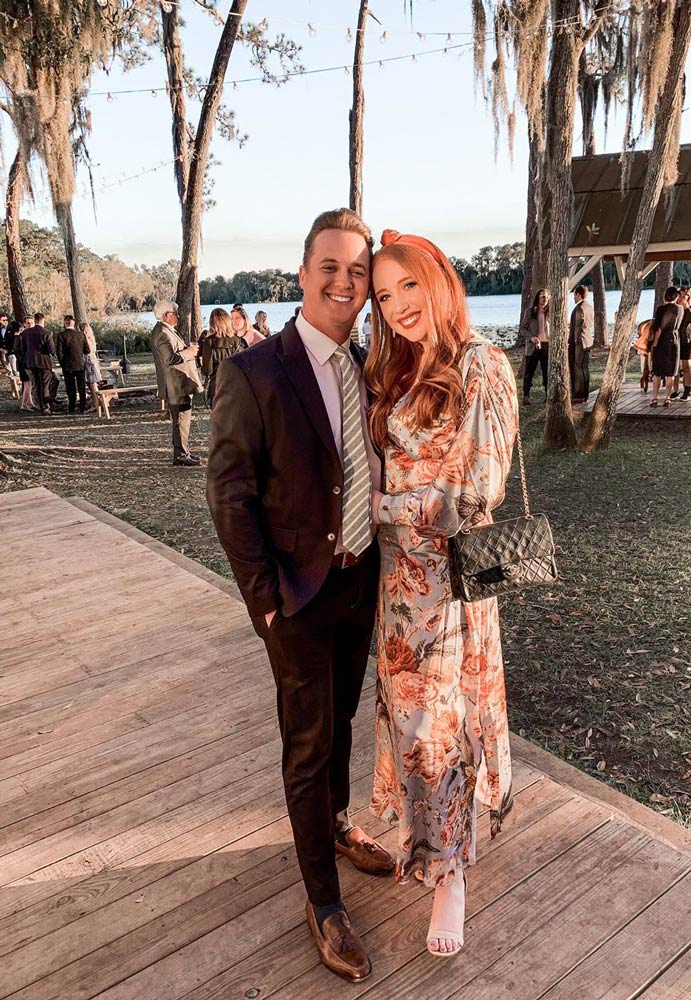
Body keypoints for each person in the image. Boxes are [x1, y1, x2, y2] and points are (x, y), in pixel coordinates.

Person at [207, 209, 392, 984]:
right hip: (297, 595)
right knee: (306, 746)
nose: (346, 282)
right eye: (332, 267)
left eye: (359, 271)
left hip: (359, 581)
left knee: (341, 722)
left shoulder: (369, 365)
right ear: (303, 272)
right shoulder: (255, 371)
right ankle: (323, 903)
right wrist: (265, 602)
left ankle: (340, 824)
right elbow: (229, 495)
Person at [367, 230, 517, 958]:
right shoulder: (398, 370)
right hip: (397, 590)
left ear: (440, 282)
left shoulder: (482, 364)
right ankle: (428, 845)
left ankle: (451, 874)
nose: (397, 307)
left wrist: (381, 507)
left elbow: (472, 493)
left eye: (408, 287)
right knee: (408, 726)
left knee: (441, 727)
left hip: (452, 592)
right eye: (384, 296)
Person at [150, 300, 201, 466]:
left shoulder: (165, 331)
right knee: (180, 420)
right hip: (175, 385)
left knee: (183, 420)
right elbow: (170, 358)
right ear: (166, 315)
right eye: (175, 313)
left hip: (178, 384)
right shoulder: (163, 333)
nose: (178, 316)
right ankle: (180, 455)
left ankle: (184, 451)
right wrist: (189, 352)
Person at [200, 307, 246, 407]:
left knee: (219, 418)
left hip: (217, 384)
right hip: (237, 385)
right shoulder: (239, 341)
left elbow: (207, 370)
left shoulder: (209, 342)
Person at [649, 286, 683, 408]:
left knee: (657, 371)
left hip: (661, 340)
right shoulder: (680, 309)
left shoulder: (661, 309)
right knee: (670, 372)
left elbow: (656, 327)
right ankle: (668, 397)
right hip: (674, 340)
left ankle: (655, 397)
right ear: (676, 297)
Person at [520, 287, 550, 404]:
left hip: (546, 345)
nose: (545, 299)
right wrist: (531, 338)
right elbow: (522, 329)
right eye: (543, 297)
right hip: (533, 346)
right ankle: (526, 396)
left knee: (546, 371)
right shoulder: (530, 312)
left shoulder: (550, 312)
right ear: (538, 298)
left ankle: (548, 395)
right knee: (529, 372)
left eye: (547, 297)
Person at [56, 314, 90, 414]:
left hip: (67, 365)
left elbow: (59, 352)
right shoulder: (81, 335)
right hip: (80, 364)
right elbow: (87, 350)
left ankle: (72, 407)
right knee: (81, 386)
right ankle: (82, 407)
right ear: (73, 323)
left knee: (70, 387)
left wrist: (62, 363)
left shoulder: (61, 336)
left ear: (65, 323)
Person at [24, 312, 56, 415]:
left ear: (35, 320)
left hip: (31, 361)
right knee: (45, 384)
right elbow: (51, 350)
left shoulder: (26, 333)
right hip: (43, 361)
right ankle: (46, 407)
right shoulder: (47, 333)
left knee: (37, 384)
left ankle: (41, 405)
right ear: (43, 320)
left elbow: (23, 347)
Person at [569, 284, 594, 403]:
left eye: (574, 295)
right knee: (585, 368)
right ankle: (585, 394)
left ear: (578, 295)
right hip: (588, 340)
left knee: (577, 367)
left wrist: (573, 341)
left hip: (579, 342)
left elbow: (578, 327)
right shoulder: (589, 307)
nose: (573, 298)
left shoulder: (579, 308)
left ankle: (578, 395)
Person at [673, 286, 691, 400]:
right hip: (676, 340)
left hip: (687, 341)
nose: (683, 298)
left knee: (686, 366)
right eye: (681, 295)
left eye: (686, 296)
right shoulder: (674, 309)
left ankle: (687, 391)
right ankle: (675, 390)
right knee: (676, 367)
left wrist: (687, 308)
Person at [80, 321, 102, 412]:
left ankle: (96, 404)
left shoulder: (86, 340)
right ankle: (96, 402)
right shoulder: (91, 338)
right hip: (92, 362)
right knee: (92, 384)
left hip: (89, 362)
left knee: (92, 384)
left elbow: (87, 352)